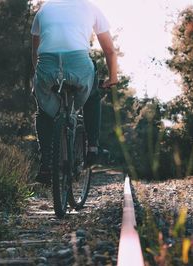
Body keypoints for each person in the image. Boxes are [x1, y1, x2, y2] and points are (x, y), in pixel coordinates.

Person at [31, 0, 118, 185]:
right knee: (93, 92)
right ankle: (93, 147)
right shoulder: (91, 7)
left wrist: (40, 78)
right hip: (79, 64)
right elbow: (109, 50)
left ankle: (46, 164)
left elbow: (36, 52)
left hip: (47, 65)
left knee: (43, 110)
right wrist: (112, 77)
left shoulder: (44, 8)